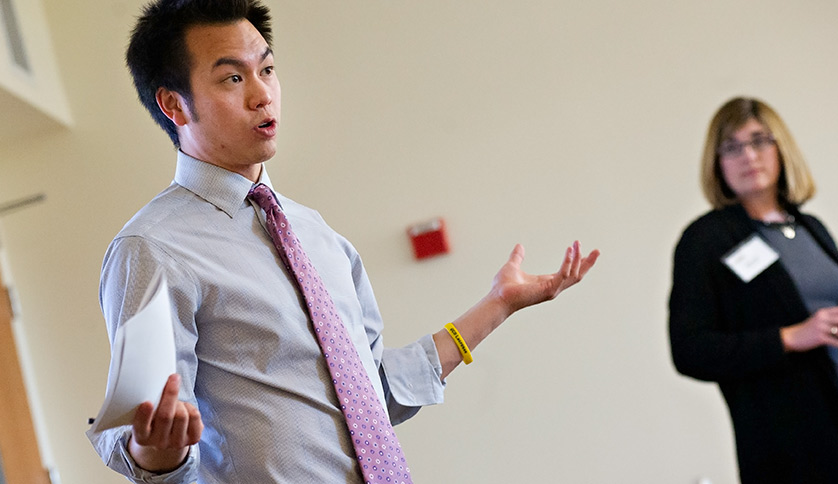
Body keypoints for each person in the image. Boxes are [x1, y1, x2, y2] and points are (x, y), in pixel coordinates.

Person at [87, 1, 600, 483]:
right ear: (175, 104)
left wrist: (498, 304)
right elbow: (139, 425)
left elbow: (370, 396)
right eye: (232, 78)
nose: (262, 93)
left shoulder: (317, 235)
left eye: (266, 70)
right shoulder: (153, 248)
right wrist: (154, 452)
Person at [669, 96, 838, 483]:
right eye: (732, 147)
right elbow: (690, 350)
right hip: (792, 447)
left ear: (780, 148)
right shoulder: (707, 240)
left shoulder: (811, 228)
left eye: (759, 140)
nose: (748, 156)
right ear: (717, 163)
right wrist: (789, 337)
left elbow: (836, 321)